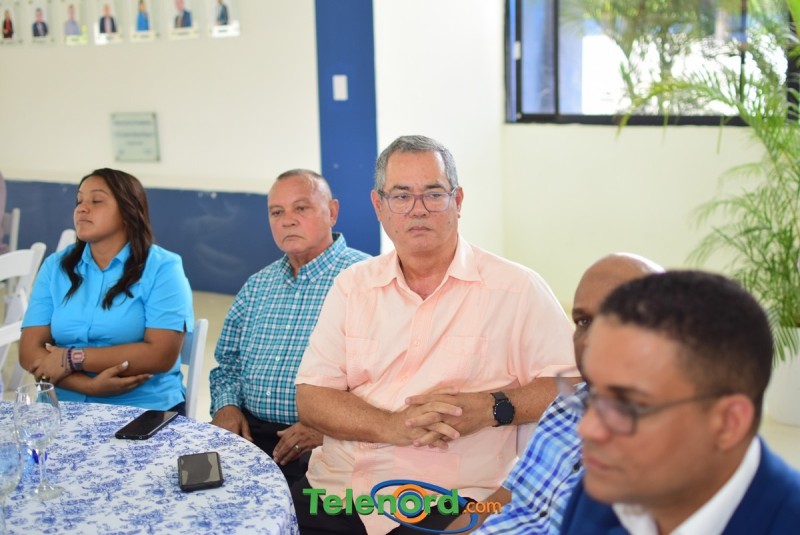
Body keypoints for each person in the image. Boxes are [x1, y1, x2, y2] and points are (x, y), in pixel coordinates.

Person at [292, 135, 575, 534]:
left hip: (448, 502)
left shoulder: (516, 290)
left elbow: (573, 388)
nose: (418, 209)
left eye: (433, 194)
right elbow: (312, 397)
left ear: (457, 201)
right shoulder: (352, 286)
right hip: (336, 490)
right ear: (378, 206)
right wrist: (391, 425)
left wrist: (493, 407)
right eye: (401, 196)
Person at [560, 270, 800, 534]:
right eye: (592, 395)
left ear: (728, 423)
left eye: (628, 407)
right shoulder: (603, 495)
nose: (587, 429)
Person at [444, 253, 663, 534]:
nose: (593, 339)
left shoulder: (676, 439)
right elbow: (503, 501)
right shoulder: (566, 406)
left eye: (617, 320)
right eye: (584, 322)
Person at [209, 169, 369, 487]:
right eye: (277, 212)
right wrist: (226, 406)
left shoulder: (366, 281)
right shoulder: (258, 285)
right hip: (249, 435)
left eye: (301, 208)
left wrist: (331, 430)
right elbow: (228, 365)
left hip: (329, 444)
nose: (287, 221)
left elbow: (389, 382)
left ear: (332, 212)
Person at [20, 168, 194, 413]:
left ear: (128, 212)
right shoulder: (55, 266)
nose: (82, 208)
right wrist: (89, 386)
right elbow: (29, 352)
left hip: (144, 407)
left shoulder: (163, 268)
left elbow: (160, 355)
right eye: (79, 201)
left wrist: (71, 358)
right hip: (62, 405)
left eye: (97, 201)